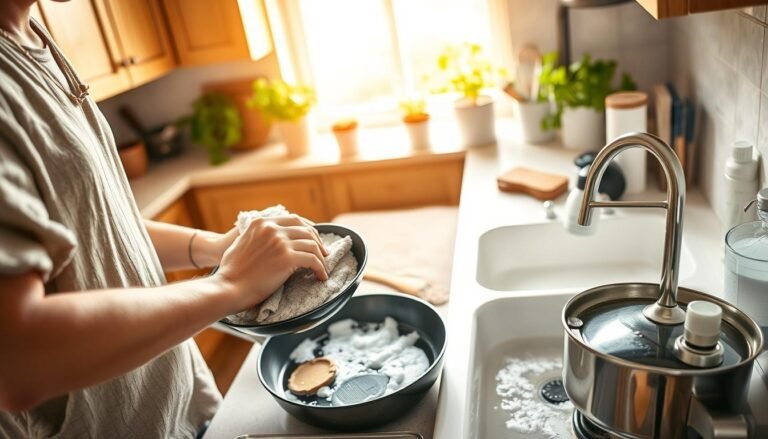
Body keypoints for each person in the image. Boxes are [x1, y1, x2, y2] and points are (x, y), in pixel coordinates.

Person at [0, 0, 330, 437]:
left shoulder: (32, 34)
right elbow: (18, 359)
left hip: (182, 408)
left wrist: (214, 247)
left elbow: (95, 225)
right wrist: (227, 285)